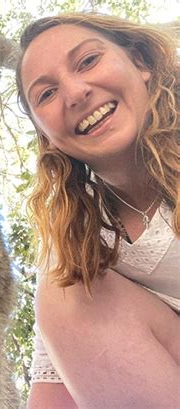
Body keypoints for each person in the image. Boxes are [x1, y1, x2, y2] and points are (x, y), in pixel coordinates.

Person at [15, 12, 179, 408]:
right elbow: (53, 390)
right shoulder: (76, 239)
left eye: (88, 61)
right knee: (66, 288)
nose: (74, 93)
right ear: (47, 137)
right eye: (47, 94)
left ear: (140, 63)